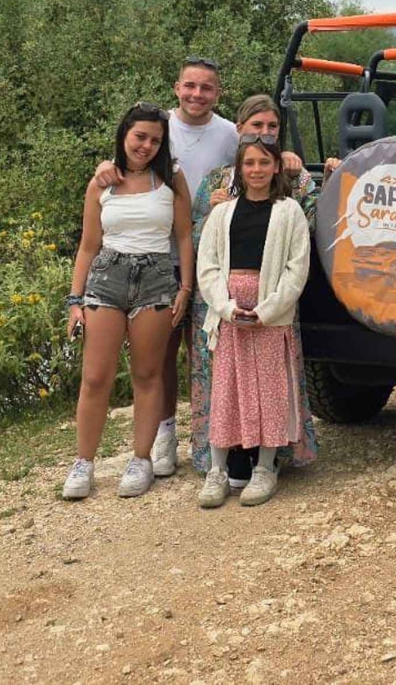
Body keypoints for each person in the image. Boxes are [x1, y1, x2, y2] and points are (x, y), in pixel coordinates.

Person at [94, 60, 301, 480]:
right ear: (177, 87)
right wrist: (103, 167)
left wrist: (289, 155)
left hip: (209, 260)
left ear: (218, 94)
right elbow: (129, 154)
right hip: (157, 255)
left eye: (206, 88)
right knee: (161, 356)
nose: (197, 94)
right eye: (190, 85)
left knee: (210, 355)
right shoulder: (160, 126)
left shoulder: (228, 133)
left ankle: (235, 447)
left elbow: (261, 158)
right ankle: (165, 435)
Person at [189, 95, 328, 482]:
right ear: (240, 130)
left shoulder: (294, 176)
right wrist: (213, 210)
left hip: (273, 295)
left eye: (272, 127)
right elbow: (196, 237)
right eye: (257, 126)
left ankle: (272, 455)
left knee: (272, 378)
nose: (264, 133)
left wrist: (332, 177)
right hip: (221, 296)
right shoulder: (217, 180)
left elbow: (313, 226)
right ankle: (224, 458)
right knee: (224, 379)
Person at [63, 103, 194, 499]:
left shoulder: (171, 179)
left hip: (156, 279)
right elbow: (88, 246)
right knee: (95, 377)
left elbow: (184, 237)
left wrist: (185, 289)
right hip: (107, 278)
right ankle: (83, 463)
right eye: (140, 136)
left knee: (148, 374)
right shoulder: (102, 182)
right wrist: (74, 300)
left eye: (155, 140)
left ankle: (141, 459)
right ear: (124, 134)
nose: (146, 146)